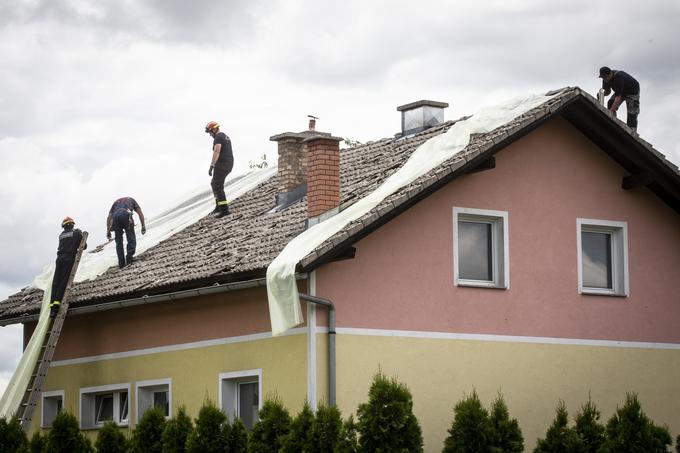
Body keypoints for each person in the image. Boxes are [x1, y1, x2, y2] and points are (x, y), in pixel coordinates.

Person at [49, 217, 87, 318]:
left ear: (64, 226)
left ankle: (52, 307)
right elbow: (84, 246)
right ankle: (56, 307)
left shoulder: (61, 235)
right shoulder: (76, 233)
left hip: (59, 258)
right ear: (72, 225)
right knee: (63, 281)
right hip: (68, 258)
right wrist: (80, 234)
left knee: (56, 281)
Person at [106, 197, 146, 268]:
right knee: (130, 237)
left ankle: (121, 263)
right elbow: (140, 213)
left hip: (115, 218)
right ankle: (129, 258)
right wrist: (143, 226)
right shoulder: (132, 200)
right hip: (126, 214)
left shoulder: (116, 202)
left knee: (118, 241)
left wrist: (108, 231)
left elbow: (109, 217)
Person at [205, 121, 234, 218]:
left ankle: (224, 209)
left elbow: (217, 151)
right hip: (228, 164)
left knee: (217, 185)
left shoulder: (218, 137)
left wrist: (212, 165)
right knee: (214, 183)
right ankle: (218, 206)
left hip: (222, 164)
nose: (210, 135)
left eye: (210, 132)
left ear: (214, 129)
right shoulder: (225, 136)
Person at [598, 66, 640, 132]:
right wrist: (601, 94)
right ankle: (613, 121)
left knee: (632, 113)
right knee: (610, 103)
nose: (604, 79)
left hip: (632, 92)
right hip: (621, 92)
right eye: (602, 77)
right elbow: (608, 91)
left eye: (605, 77)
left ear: (610, 74)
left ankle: (632, 131)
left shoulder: (619, 77)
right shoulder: (605, 79)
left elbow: (617, 98)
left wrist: (610, 112)